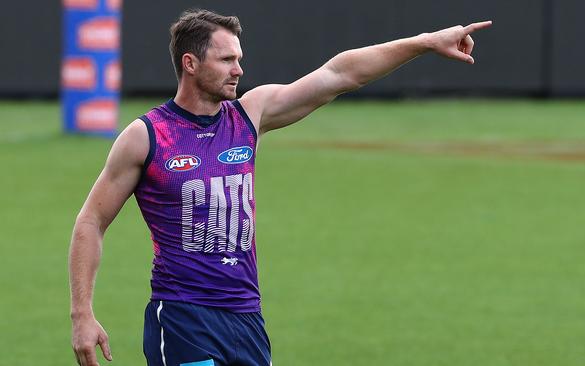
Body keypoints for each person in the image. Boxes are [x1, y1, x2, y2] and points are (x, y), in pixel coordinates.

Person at [68, 8, 492, 366]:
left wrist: (424, 42)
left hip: (247, 318)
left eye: (239, 58)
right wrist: (82, 314)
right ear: (190, 63)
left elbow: (339, 74)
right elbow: (91, 220)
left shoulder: (250, 115)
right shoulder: (148, 136)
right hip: (183, 317)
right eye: (227, 59)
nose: (239, 69)